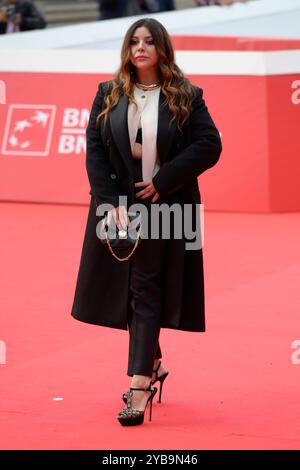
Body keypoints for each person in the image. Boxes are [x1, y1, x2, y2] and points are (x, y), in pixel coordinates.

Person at [70, 17, 222, 426]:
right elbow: (95, 152)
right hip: (119, 206)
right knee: (132, 289)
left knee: (145, 285)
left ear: (161, 49)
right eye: (134, 41)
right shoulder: (109, 93)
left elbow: (210, 144)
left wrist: (164, 181)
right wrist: (108, 201)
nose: (140, 48)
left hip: (166, 207)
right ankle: (152, 360)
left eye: (149, 42)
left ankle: (139, 384)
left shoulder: (186, 95)